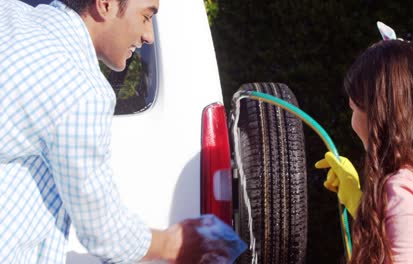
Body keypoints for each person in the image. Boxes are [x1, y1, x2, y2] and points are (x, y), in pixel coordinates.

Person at [0, 0, 245, 263]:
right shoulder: (81, 91)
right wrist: (172, 244)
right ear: (105, 4)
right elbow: (101, 228)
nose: (149, 35)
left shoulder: (9, 13)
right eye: (145, 16)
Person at [315, 23, 413, 263]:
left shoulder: (399, 190)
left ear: (379, 117)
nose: (352, 121)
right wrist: (359, 201)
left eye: (354, 109)